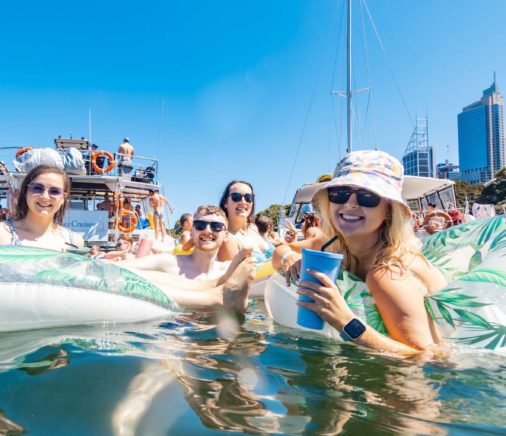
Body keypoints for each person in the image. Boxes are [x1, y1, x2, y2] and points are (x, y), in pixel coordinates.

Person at [277, 150, 448, 356]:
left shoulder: (389, 275)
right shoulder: (332, 243)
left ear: (389, 210)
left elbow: (430, 357)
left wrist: (345, 322)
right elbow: (281, 250)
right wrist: (292, 259)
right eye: (339, 193)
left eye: (367, 196)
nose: (349, 203)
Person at [0, 164, 84, 251]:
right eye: (37, 188)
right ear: (25, 192)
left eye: (55, 191)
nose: (45, 196)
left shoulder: (74, 242)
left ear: (63, 198)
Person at [119, 205, 236, 280]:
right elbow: (116, 268)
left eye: (216, 226)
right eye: (200, 225)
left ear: (226, 235)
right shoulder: (167, 263)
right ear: (191, 232)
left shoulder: (230, 271)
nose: (207, 230)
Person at [218, 180, 275, 264]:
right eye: (236, 197)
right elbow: (237, 275)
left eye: (248, 197)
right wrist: (280, 254)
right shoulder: (226, 239)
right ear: (225, 202)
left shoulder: (253, 228)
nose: (243, 201)